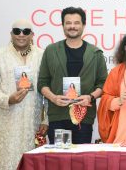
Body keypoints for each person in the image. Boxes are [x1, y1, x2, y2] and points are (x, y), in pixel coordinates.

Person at [38, 7, 108, 144]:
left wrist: (90, 97)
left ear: (83, 25)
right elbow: (42, 83)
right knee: (59, 162)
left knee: (81, 162)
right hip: (58, 116)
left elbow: (103, 83)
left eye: (76, 23)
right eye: (68, 23)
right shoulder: (51, 51)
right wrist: (53, 98)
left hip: (83, 118)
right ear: (63, 25)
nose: (72, 26)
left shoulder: (95, 53)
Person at [0, 19, 47, 170]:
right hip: (6, 123)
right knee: (6, 163)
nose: (21, 35)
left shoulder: (42, 55)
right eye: (17, 31)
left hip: (33, 124)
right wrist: (8, 99)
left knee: (31, 163)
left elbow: (48, 87)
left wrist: (46, 119)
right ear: (11, 34)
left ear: (32, 35)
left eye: (26, 31)